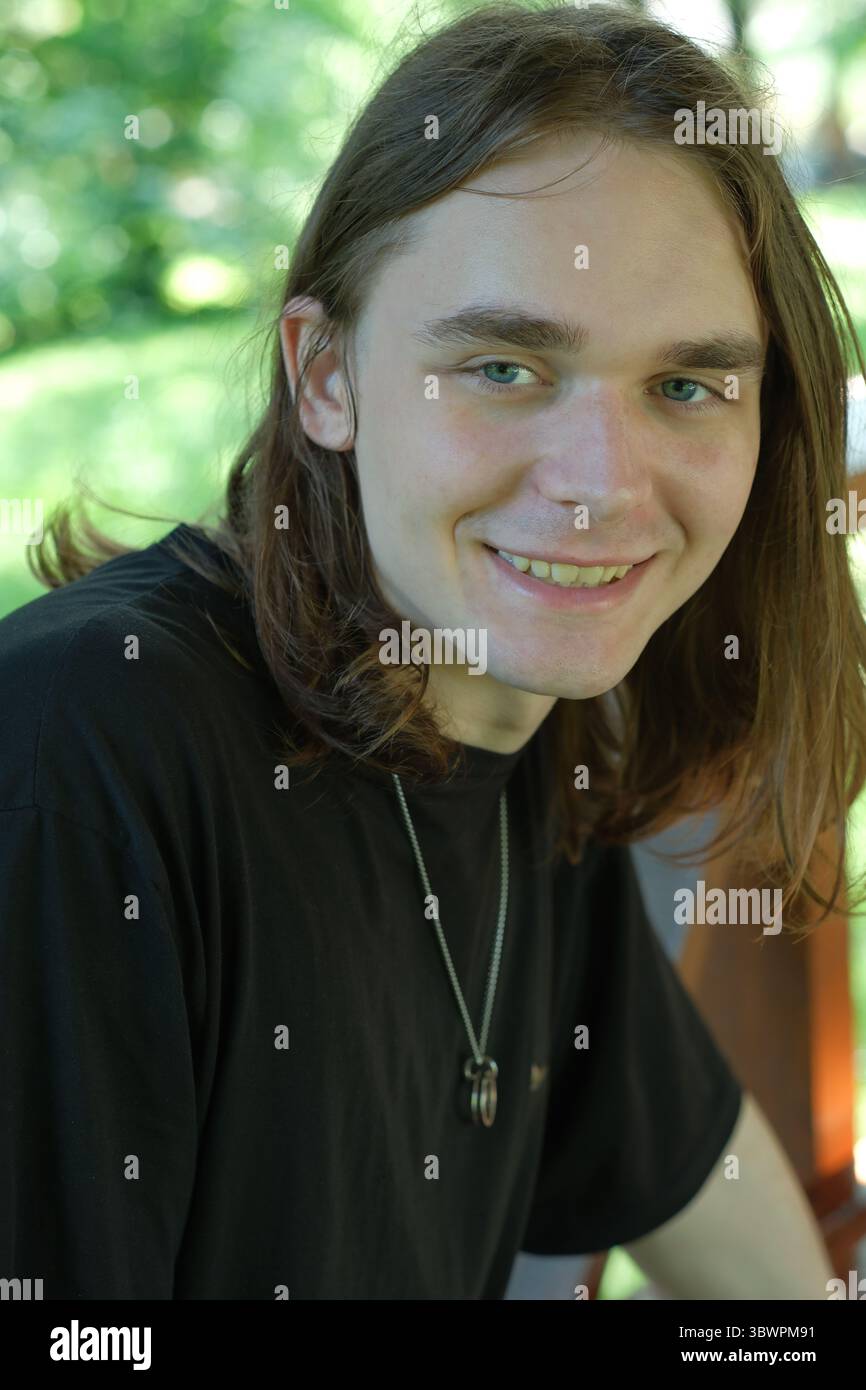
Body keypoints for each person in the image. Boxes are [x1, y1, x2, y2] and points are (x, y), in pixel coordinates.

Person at [1, 1, 863, 1301]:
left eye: (684, 386)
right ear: (325, 373)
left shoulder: (511, 718)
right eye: (505, 367)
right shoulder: (86, 749)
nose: (599, 484)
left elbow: (688, 1166)